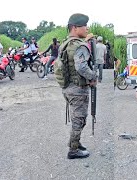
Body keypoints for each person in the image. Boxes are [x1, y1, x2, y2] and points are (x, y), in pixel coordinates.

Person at [58, 13, 97, 159]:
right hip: (78, 89)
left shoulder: (66, 43)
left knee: (78, 118)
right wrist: (93, 77)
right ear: (75, 28)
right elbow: (81, 67)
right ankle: (73, 151)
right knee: (79, 119)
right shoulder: (79, 45)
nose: (87, 28)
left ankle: (75, 142)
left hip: (67, 87)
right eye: (84, 26)